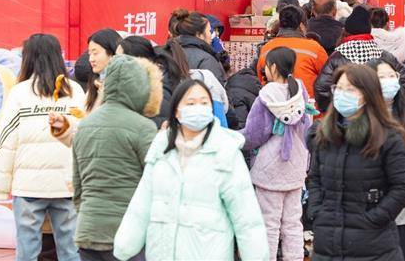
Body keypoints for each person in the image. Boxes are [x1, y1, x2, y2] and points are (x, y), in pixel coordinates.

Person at [113, 79, 267, 261]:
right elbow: (142, 202)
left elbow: (246, 216)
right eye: (191, 103)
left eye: (204, 103)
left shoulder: (225, 150)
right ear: (177, 110)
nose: (198, 108)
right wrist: (125, 245)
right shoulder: (161, 146)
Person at [0, 33, 86, 261]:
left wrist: (0, 189)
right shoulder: (74, 91)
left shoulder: (19, 92)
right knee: (71, 251)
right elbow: (84, 138)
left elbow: (7, 141)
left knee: (27, 252)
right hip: (67, 185)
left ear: (28, 58)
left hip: (28, 187)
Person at [307, 64, 405, 261]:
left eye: (350, 89)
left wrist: (375, 218)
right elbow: (314, 177)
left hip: (374, 247)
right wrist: (317, 211)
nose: (342, 94)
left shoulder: (387, 136)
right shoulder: (326, 133)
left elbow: (404, 187)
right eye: (339, 88)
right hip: (327, 243)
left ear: (368, 94)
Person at [68, 54, 162, 261]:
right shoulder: (143, 127)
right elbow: (157, 182)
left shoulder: (85, 124)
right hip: (127, 234)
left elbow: (78, 186)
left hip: (88, 231)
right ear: (141, 88)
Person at [241, 47, 313, 261]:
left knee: (268, 224)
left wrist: (233, 138)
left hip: (269, 170)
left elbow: (254, 134)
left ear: (272, 67)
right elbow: (308, 129)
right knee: (293, 223)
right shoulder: (300, 92)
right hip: (296, 168)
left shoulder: (266, 96)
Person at [369, 58, 405, 261]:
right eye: (381, 77)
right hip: (372, 214)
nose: (388, 81)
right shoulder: (360, 119)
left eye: (392, 76)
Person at [314, 6, 405, 113]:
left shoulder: (338, 56)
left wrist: (338, 108)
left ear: (346, 31)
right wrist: (390, 103)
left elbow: (321, 88)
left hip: (349, 115)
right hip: (380, 114)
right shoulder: (383, 55)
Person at [255, 5, 328, 104]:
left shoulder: (266, 49)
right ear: (301, 26)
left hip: (274, 106)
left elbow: (261, 78)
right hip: (307, 107)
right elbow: (327, 78)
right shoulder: (315, 49)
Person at [169, 9, 226, 84]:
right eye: (209, 31)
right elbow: (214, 89)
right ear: (199, 34)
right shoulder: (207, 60)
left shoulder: (167, 53)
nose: (212, 35)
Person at [83, 29, 120, 114]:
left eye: (95, 53)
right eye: (89, 54)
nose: (91, 59)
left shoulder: (123, 86)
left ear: (112, 54)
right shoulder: (94, 86)